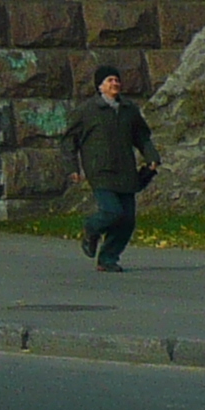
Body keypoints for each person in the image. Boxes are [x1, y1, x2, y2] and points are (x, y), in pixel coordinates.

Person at [64, 64, 157, 271]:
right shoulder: (87, 111)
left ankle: (108, 259)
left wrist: (151, 157)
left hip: (126, 171)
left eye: (116, 80)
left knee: (127, 221)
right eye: (109, 81)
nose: (115, 83)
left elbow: (142, 136)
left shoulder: (129, 109)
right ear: (100, 86)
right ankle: (91, 227)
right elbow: (69, 140)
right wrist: (72, 167)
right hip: (100, 171)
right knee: (112, 212)